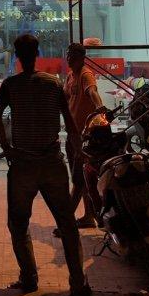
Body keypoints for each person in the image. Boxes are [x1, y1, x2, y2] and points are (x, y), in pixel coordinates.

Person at [0, 33, 90, 296]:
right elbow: (70, 123)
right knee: (67, 224)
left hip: (22, 164)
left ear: (16, 56)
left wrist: (6, 148)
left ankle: (29, 278)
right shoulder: (53, 83)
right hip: (52, 163)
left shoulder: (10, 85)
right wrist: (79, 152)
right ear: (37, 54)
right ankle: (78, 282)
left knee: (18, 224)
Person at [64, 39, 104, 228]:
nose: (68, 59)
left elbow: (92, 91)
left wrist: (100, 107)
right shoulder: (70, 76)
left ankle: (66, 223)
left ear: (81, 58)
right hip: (72, 134)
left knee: (79, 180)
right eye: (68, 56)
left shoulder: (86, 74)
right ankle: (89, 215)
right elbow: (65, 98)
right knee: (81, 178)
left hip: (83, 136)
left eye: (72, 56)